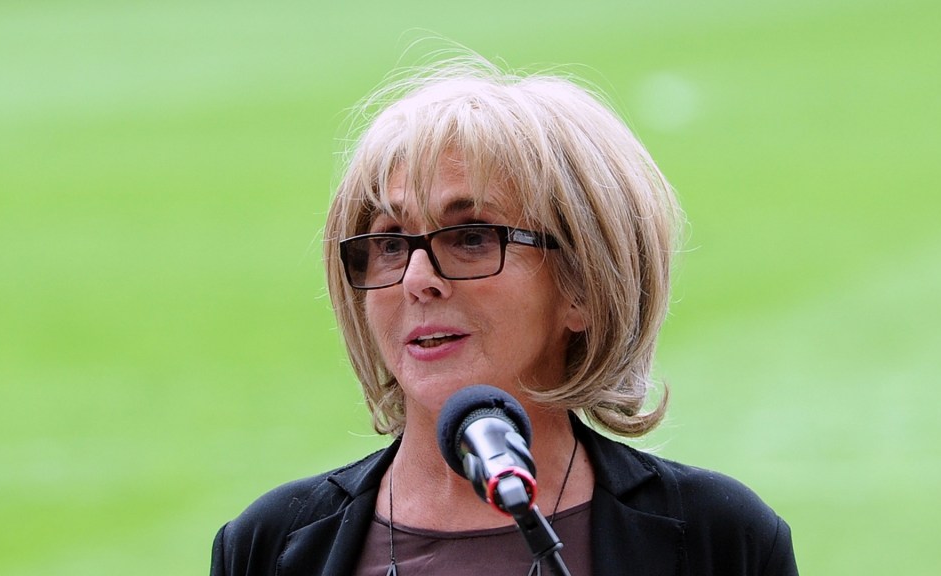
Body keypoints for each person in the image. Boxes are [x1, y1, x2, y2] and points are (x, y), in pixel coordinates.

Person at [211, 55, 798, 576]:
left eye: (470, 237)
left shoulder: (719, 540)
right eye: (389, 242)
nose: (416, 279)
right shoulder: (268, 546)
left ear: (582, 286)